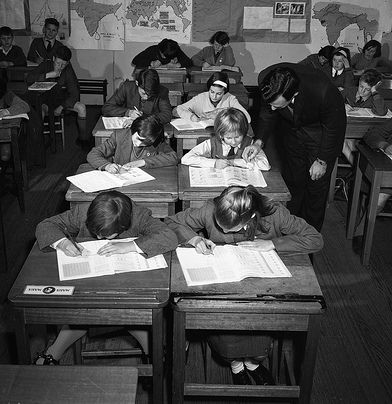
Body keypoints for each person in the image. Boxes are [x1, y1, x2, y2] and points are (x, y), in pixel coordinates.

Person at [165, 185, 323, 385]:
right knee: (226, 337)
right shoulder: (209, 209)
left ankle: (252, 363)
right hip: (223, 284)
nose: (222, 231)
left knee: (260, 339)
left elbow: (316, 239)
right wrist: (195, 238)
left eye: (229, 229)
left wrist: (273, 244)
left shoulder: (274, 214)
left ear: (249, 219)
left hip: (263, 288)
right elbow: (171, 221)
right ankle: (236, 364)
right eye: (220, 227)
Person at [34, 190, 178, 365]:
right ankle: (56, 349)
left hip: (128, 284)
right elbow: (45, 225)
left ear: (124, 226)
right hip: (89, 282)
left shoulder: (138, 215)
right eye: (96, 232)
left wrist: (131, 246)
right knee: (82, 311)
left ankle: (150, 350)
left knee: (135, 312)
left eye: (106, 235)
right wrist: (63, 242)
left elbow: (169, 236)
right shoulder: (82, 212)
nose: (100, 238)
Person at [254, 63, 346, 231]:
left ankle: (309, 236)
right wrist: (258, 141)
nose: (273, 108)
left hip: (319, 134)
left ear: (294, 94)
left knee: (315, 189)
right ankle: (289, 227)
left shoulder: (323, 91)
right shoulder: (266, 79)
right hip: (291, 131)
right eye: (272, 103)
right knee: (292, 181)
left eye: (278, 105)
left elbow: (335, 128)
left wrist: (322, 161)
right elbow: (267, 112)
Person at [32, 45, 88, 145]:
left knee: (81, 108)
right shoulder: (46, 64)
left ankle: (83, 138)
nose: (60, 67)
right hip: (45, 101)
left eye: (63, 64)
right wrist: (47, 75)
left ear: (68, 63)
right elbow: (29, 78)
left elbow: (75, 92)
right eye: (58, 63)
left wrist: (62, 106)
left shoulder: (68, 70)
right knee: (40, 112)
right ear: (53, 58)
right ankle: (39, 142)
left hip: (61, 101)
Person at [181, 108, 270, 170]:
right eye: (228, 138)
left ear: (244, 132)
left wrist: (235, 162)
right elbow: (185, 159)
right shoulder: (211, 143)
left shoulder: (250, 144)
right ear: (220, 135)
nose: (234, 141)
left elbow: (265, 165)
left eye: (238, 137)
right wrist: (214, 163)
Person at [87, 114, 177, 172]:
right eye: (138, 138)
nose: (138, 144)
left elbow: (173, 157)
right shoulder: (119, 136)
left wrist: (143, 162)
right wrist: (107, 166)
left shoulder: (154, 139)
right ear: (133, 130)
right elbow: (93, 154)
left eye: (144, 142)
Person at [341, 69, 387, 164]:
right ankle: (358, 169)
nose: (362, 91)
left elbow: (381, 112)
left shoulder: (375, 98)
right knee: (342, 142)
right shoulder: (349, 91)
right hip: (346, 131)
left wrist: (374, 91)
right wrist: (342, 105)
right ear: (358, 82)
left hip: (363, 136)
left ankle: (357, 169)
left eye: (367, 89)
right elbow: (331, 102)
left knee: (344, 144)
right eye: (361, 86)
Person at [102, 68, 172, 124]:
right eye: (144, 93)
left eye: (150, 94)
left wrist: (143, 119)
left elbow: (167, 115)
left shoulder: (162, 91)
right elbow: (106, 108)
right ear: (137, 83)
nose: (146, 97)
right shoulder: (127, 87)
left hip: (150, 131)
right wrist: (128, 112)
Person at [174, 71, 250, 123]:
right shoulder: (201, 98)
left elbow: (247, 118)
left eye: (219, 93)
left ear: (224, 92)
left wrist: (222, 113)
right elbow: (176, 110)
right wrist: (191, 116)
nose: (214, 96)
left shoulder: (230, 99)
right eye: (212, 92)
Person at [0, 77, 30, 168]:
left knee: (5, 154)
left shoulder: (7, 95)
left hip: (3, 133)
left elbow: (24, 106)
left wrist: (6, 111)